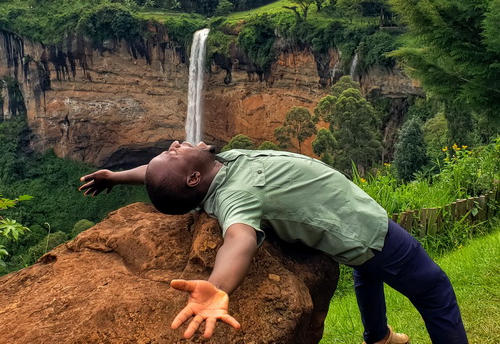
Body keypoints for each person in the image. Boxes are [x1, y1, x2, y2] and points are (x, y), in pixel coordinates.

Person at [79, 141, 468, 344]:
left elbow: (159, 173)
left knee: (367, 274)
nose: (177, 143)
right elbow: (240, 238)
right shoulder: (236, 195)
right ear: (193, 179)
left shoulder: (210, 169)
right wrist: (216, 288)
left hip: (350, 226)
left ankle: (379, 337)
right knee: (435, 289)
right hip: (366, 232)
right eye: (173, 152)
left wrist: (116, 176)